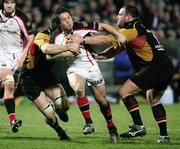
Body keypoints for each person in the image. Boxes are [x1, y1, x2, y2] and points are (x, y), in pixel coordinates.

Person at [69, 5, 174, 144]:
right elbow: (117, 48)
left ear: (128, 17)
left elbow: (106, 39)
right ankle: (164, 136)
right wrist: (101, 56)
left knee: (124, 91)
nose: (117, 17)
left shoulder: (131, 29)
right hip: (166, 67)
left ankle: (138, 126)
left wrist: (81, 40)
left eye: (120, 14)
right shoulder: (139, 29)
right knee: (153, 99)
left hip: (155, 67)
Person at [44, 7, 127, 143]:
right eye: (64, 20)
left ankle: (112, 128)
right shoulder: (55, 36)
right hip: (72, 67)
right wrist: (67, 50)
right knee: (78, 88)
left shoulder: (80, 26)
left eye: (69, 18)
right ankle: (88, 122)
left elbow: (103, 26)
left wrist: (118, 34)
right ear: (59, 23)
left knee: (103, 101)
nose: (68, 21)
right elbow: (49, 55)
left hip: (90, 65)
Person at [20, 24, 80, 140]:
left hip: (47, 77)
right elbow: (48, 53)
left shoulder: (60, 39)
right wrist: (69, 48)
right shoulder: (41, 39)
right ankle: (61, 132)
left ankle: (57, 108)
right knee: (50, 115)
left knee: (65, 106)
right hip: (30, 80)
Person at [0, 0, 34, 133]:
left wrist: (22, 56)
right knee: (9, 84)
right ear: (3, 4)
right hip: (2, 55)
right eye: (6, 2)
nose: (9, 5)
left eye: (12, 2)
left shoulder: (22, 18)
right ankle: (13, 121)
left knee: (12, 86)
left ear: (15, 4)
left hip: (18, 55)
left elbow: (31, 38)